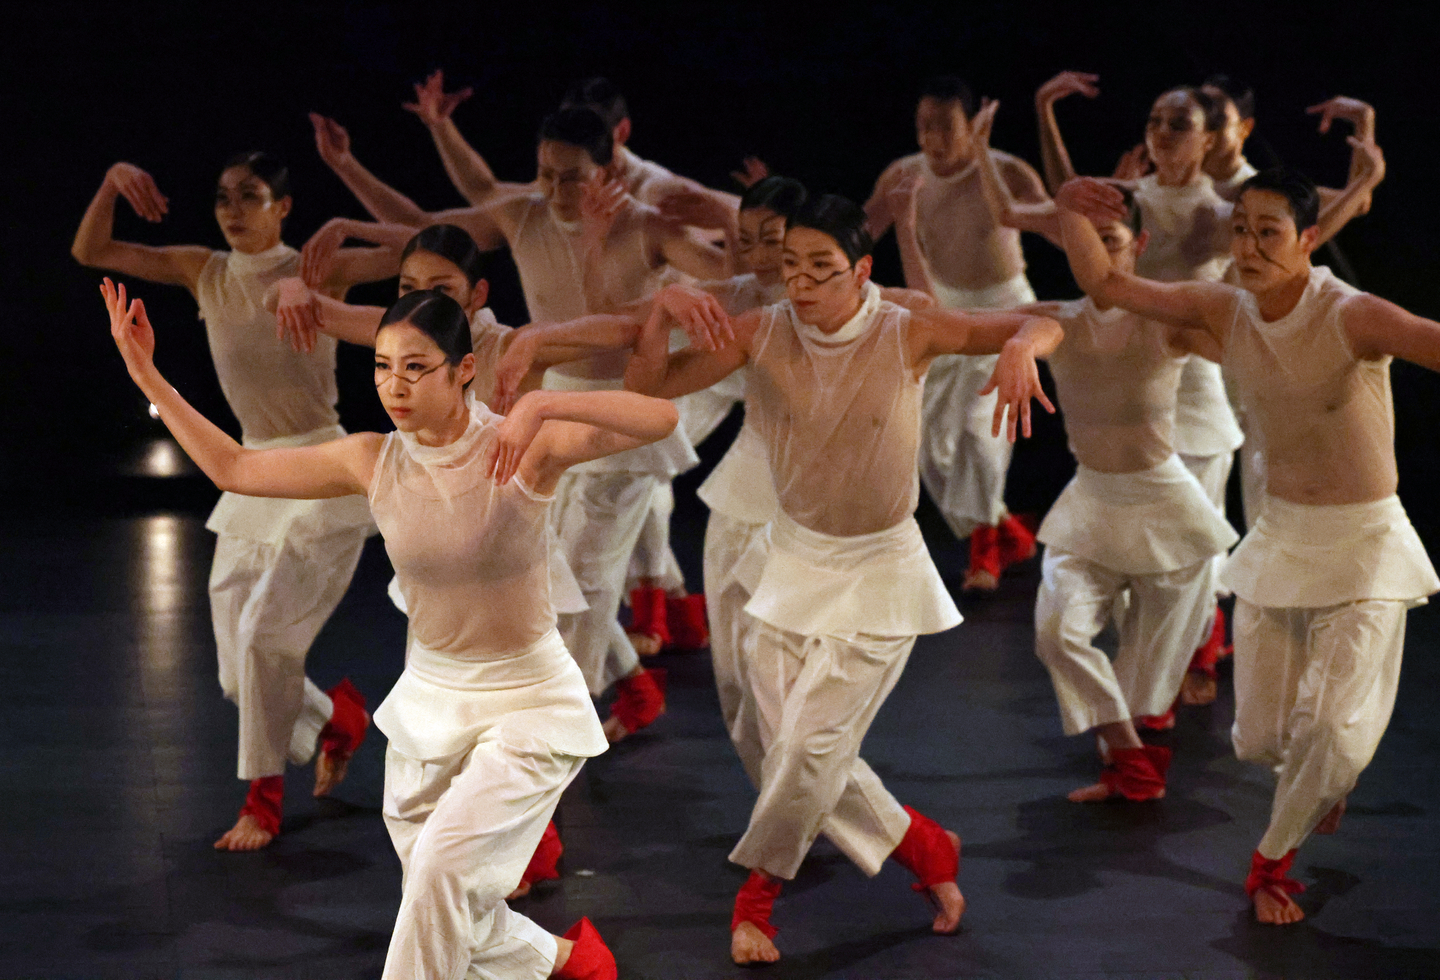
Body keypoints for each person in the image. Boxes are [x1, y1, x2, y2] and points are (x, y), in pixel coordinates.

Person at [105, 280, 682, 978]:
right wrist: (146, 375)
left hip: (526, 701)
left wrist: (543, 400)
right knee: (441, 898)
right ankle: (569, 959)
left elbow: (657, 418)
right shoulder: (373, 458)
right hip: (430, 705)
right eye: (382, 366)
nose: (394, 385)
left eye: (415, 367)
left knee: (440, 873)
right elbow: (235, 467)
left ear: (463, 369)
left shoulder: (519, 447)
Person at [625, 194, 1062, 964]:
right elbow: (652, 386)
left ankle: (756, 902)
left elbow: (1046, 316)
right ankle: (925, 849)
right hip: (791, 564)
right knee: (787, 742)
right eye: (791, 267)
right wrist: (662, 309)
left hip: (881, 572)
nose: (801, 284)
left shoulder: (909, 327)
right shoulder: (763, 331)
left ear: (861, 271)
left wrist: (1025, 343)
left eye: (822, 270)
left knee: (806, 746)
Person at [1053, 157, 1440, 926]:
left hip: (1364, 543)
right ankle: (1323, 779)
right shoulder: (1226, 310)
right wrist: (1068, 210)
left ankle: (1270, 862)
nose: (1251, 246)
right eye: (1241, 231)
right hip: (1283, 539)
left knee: (1329, 730)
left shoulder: (1351, 313)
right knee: (1260, 737)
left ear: (1311, 238)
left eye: (1270, 233)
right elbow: (1111, 287)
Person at [309, 103, 732, 740]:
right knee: (549, 577)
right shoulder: (522, 213)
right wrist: (352, 168)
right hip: (546, 411)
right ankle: (634, 690)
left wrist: (698, 250)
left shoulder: (644, 221)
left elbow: (727, 273)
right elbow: (426, 227)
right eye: (545, 173)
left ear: (609, 166)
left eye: (571, 176)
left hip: (612, 413)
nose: (555, 189)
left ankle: (551, 739)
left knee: (580, 587)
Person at [72, 153, 401, 850]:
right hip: (251, 471)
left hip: (323, 467)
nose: (232, 208)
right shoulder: (207, 270)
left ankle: (263, 803)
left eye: (250, 196)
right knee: (235, 673)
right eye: (223, 196)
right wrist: (110, 183)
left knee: (262, 639)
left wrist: (343, 223)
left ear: (284, 207)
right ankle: (340, 724)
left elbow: (422, 246)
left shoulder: (316, 270)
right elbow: (91, 250)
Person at [1009, 190, 1237, 800]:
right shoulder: (1058, 316)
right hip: (1091, 500)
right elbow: (997, 329)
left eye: (1109, 239)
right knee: (1057, 631)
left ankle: (1129, 768)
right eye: (1086, 240)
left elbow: (1250, 344)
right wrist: (1017, 348)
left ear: (1135, 246)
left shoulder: (1167, 319)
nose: (1097, 253)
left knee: (1151, 667)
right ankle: (1132, 758)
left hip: (1167, 505)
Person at [865, 75, 1050, 590]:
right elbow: (858, 233)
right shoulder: (903, 175)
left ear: (972, 126)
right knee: (927, 445)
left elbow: (1058, 221)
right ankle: (1005, 528)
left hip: (1003, 310)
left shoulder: (1007, 170)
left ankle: (984, 552)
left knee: (981, 429)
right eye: (923, 127)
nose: (932, 139)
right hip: (941, 311)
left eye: (944, 127)